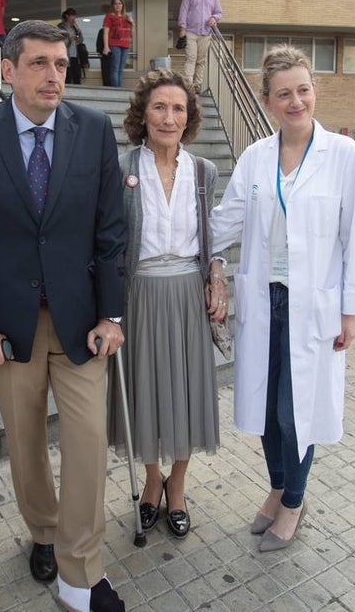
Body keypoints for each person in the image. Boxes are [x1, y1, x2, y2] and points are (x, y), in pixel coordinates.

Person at [0, 20, 128, 612]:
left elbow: (111, 233)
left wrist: (112, 315)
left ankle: (80, 573)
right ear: (8, 70)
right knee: (25, 442)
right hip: (5, 324)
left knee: (89, 441)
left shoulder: (92, 130)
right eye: (39, 63)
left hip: (82, 320)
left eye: (62, 65)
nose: (54, 75)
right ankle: (43, 531)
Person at [209, 45, 355, 552]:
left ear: (314, 91)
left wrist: (350, 310)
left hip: (314, 306)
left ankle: (295, 502)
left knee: (293, 411)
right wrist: (207, 258)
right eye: (284, 93)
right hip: (264, 302)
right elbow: (224, 222)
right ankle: (277, 488)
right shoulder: (256, 157)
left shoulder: (344, 155)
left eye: (303, 89)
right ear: (267, 100)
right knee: (262, 407)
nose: (296, 100)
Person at [106, 70, 224, 540]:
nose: (168, 117)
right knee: (147, 391)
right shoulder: (121, 168)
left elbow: (212, 236)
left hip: (187, 295)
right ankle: (151, 482)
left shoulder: (204, 171)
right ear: (142, 114)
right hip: (139, 294)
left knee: (186, 391)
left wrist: (216, 276)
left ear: (189, 117)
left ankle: (178, 485)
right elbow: (110, 239)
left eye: (178, 109)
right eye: (159, 107)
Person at [177, 0, 222, 93]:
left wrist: (214, 18)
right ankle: (188, 85)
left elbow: (219, 12)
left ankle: (197, 85)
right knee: (191, 58)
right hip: (191, 32)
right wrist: (182, 28)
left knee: (201, 61)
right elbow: (183, 12)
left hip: (206, 33)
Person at [101, 0, 133, 88]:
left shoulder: (126, 17)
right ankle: (115, 91)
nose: (118, 6)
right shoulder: (110, 16)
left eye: (120, 4)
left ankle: (119, 90)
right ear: (113, 6)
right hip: (114, 44)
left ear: (123, 5)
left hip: (125, 45)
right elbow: (106, 32)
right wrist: (106, 46)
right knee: (114, 68)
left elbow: (132, 34)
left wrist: (133, 23)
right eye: (116, 4)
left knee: (120, 69)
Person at [58, 8, 84, 85]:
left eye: (74, 16)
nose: (74, 18)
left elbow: (81, 39)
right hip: (66, 54)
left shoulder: (75, 27)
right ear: (67, 16)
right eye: (72, 16)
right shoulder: (61, 27)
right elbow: (60, 40)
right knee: (68, 76)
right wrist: (69, 39)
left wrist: (77, 30)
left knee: (77, 76)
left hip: (75, 55)